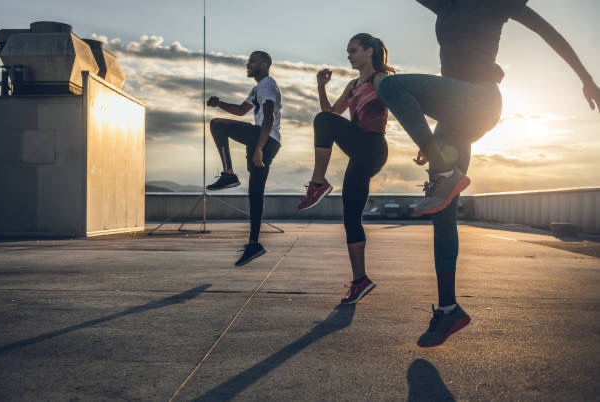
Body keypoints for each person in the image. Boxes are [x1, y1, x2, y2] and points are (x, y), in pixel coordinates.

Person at [376, 0, 600, 347]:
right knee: (442, 210)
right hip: (454, 116)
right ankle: (449, 309)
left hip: (480, 101)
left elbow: (549, 33)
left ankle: (446, 169)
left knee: (389, 87)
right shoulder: (445, 4)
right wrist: (432, 137)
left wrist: (586, 78)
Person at [297, 33, 394, 304]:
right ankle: (360, 280)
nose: (349, 55)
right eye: (348, 51)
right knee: (351, 216)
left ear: (369, 51)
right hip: (359, 152)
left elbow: (403, 106)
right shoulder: (352, 86)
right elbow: (330, 114)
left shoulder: (380, 80)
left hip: (372, 145)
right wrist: (320, 86)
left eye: (353, 50)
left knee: (322, 121)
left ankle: (318, 184)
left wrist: (425, 143)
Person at [206, 51, 282, 266]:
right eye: (248, 61)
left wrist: (258, 147)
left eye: (253, 61)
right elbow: (241, 110)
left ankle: (228, 174)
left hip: (263, 137)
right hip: (265, 139)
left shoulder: (267, 84)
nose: (248, 64)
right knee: (255, 193)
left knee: (217, 125)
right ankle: (254, 243)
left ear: (265, 64)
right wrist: (219, 103)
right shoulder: (258, 87)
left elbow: (269, 116)